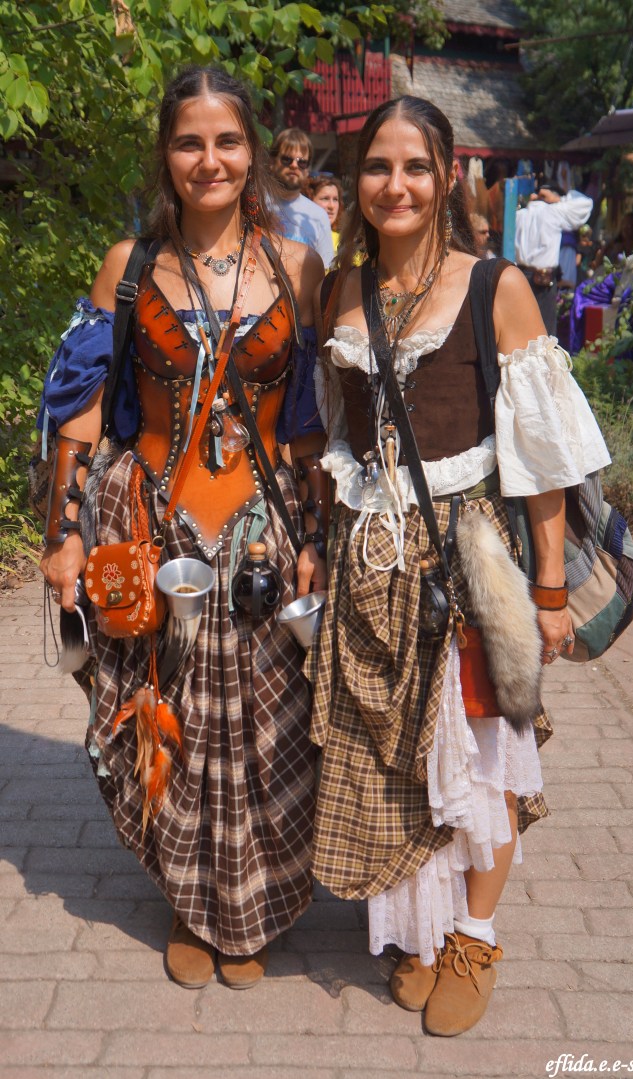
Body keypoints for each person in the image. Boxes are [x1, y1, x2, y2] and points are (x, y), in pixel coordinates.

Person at [307, 96, 610, 1037]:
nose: (393, 184)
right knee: (392, 758)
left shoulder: (497, 287)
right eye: (374, 165)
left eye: (413, 165)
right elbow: (337, 431)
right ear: (354, 180)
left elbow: (544, 459)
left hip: (467, 560)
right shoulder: (341, 289)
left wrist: (550, 592)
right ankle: (417, 932)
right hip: (369, 557)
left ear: (446, 177)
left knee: (479, 760)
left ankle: (474, 935)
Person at [37, 65, 329, 991]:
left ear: (256, 151)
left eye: (228, 141)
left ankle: (255, 907)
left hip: (266, 531)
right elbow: (79, 410)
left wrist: (320, 529)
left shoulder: (299, 266)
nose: (211, 160)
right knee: (167, 722)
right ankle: (189, 903)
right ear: (165, 156)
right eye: (189, 142)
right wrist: (63, 534)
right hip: (152, 529)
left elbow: (318, 418)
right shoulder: (129, 268)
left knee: (267, 727)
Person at [515, 181, 593, 335]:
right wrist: (558, 200)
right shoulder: (553, 211)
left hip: (523, 277)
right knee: (544, 333)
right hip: (542, 280)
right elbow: (586, 203)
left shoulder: (519, 214)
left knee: (521, 330)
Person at [269, 128, 335, 269]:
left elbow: (325, 269)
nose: (294, 165)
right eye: (287, 159)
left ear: (307, 169)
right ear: (272, 162)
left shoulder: (318, 217)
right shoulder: (255, 204)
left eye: (302, 162)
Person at [309, 175, 343, 254]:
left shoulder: (345, 243)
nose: (331, 206)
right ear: (309, 200)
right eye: (325, 198)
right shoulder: (294, 236)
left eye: (335, 199)